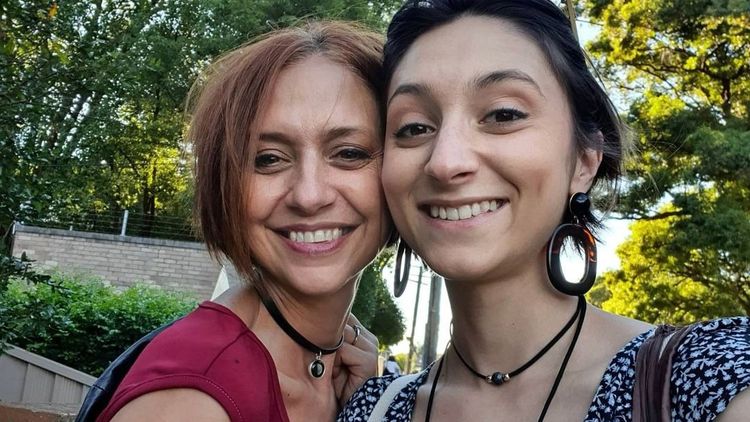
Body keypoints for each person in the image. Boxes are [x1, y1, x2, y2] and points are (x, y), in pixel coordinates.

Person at [339, 1, 750, 421]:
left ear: (584, 161)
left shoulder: (704, 378)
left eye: (503, 114)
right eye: (414, 127)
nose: (445, 162)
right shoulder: (373, 409)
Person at [96, 21, 391, 422]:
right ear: (224, 187)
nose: (309, 195)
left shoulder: (339, 374)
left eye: (349, 153)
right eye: (268, 159)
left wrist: (361, 408)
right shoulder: (191, 401)